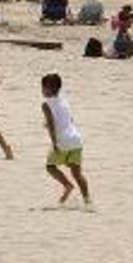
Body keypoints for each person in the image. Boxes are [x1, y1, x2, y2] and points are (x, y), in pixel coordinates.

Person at [40, 73, 89, 206]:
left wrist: (54, 143)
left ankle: (67, 185)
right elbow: (69, 119)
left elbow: (51, 125)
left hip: (63, 140)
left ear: (48, 89)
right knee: (78, 174)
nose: (42, 90)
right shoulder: (64, 100)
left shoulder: (45, 105)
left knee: (50, 167)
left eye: (43, 88)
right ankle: (87, 201)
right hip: (76, 139)